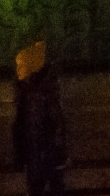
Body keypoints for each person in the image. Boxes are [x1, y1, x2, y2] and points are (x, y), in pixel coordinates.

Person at [12, 39, 68, 196]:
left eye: (21, 65)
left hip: (43, 157)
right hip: (35, 157)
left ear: (32, 67)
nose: (18, 69)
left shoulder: (42, 93)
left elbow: (56, 125)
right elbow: (20, 125)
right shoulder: (26, 91)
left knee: (45, 187)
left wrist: (57, 155)